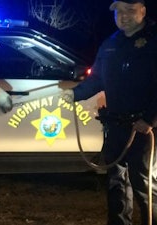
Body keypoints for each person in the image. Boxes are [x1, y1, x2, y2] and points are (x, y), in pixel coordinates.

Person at [61, 0, 157, 224]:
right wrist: (75, 94)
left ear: (142, 11)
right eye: (119, 12)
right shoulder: (110, 44)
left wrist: (150, 119)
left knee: (144, 183)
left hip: (145, 129)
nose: (123, 16)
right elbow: (97, 78)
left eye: (130, 11)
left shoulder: (154, 42)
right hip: (115, 126)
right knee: (116, 183)